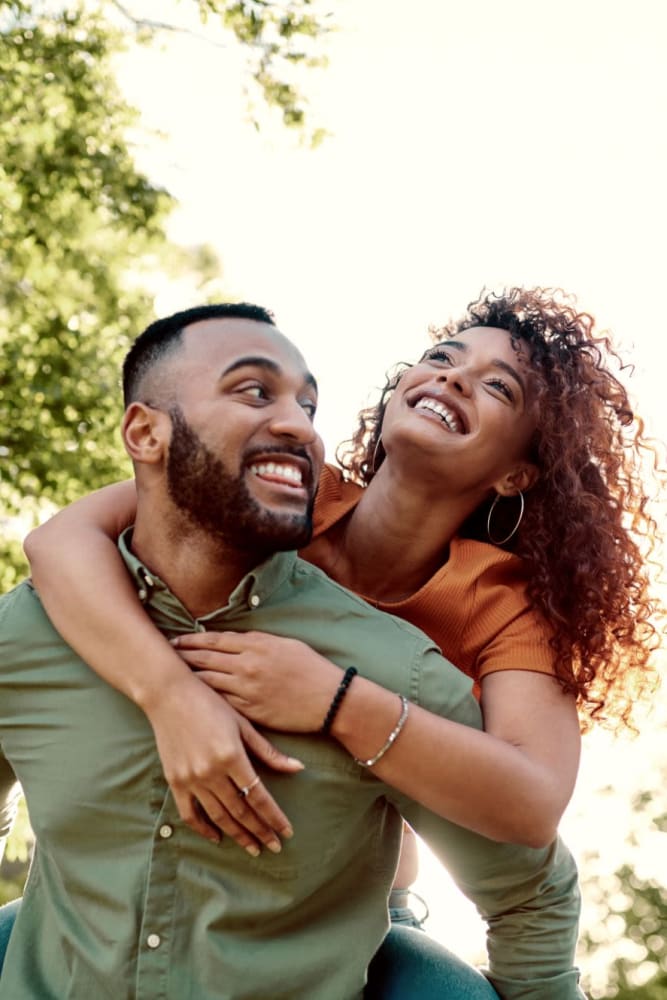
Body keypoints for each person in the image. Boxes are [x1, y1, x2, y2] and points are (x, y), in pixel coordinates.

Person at [0, 303, 585, 999]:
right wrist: (172, 695)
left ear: (515, 474)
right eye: (442, 358)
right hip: (92, 918)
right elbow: (61, 542)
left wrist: (335, 700)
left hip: (345, 906)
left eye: (498, 387)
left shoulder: (496, 605)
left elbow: (529, 812)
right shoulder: (278, 492)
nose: (454, 380)